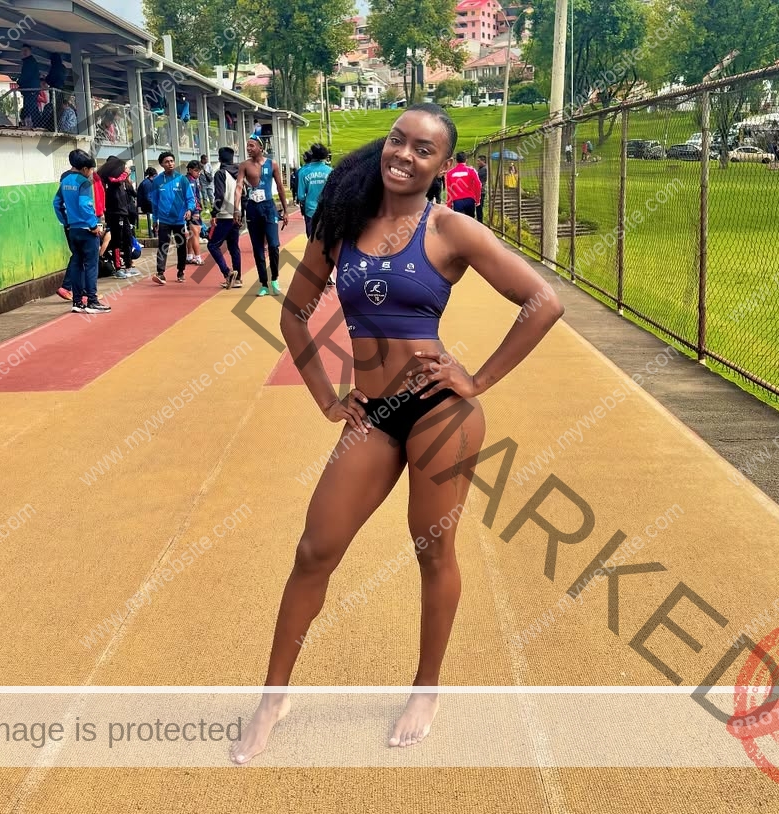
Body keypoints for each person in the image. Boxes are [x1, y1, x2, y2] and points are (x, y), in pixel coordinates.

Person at [230, 103, 565, 764]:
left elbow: (543, 302)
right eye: (397, 140)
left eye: (423, 149)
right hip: (373, 415)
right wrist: (328, 398)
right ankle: (273, 698)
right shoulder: (342, 225)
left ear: (443, 166)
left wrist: (477, 380)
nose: (404, 155)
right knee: (313, 551)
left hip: (441, 412)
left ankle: (425, 689)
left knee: (432, 552)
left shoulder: (450, 228)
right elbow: (294, 314)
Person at [53, 149, 110, 315]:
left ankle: (77, 302)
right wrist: (93, 225)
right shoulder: (84, 182)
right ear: (84, 168)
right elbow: (85, 205)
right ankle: (92, 301)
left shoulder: (65, 181)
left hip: (73, 230)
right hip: (87, 230)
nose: (91, 172)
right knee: (91, 265)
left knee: (77, 264)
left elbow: (56, 203)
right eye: (91, 169)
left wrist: (66, 222)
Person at [235, 134, 289, 297]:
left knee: (273, 245)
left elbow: (280, 187)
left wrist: (285, 210)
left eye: (252, 145)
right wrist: (236, 209)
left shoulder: (272, 164)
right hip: (253, 209)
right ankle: (264, 283)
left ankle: (275, 278)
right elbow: (239, 186)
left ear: (260, 147)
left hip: (269, 208)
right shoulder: (244, 165)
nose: (248, 148)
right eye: (247, 145)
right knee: (257, 248)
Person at [151, 151, 195, 285]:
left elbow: (190, 198)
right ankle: (160, 273)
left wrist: (189, 209)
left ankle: (181, 271)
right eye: (166, 162)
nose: (170, 164)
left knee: (181, 246)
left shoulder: (182, 179)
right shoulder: (157, 181)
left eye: (171, 161)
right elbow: (154, 202)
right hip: (164, 220)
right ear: (161, 164)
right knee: (163, 246)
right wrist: (154, 219)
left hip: (179, 220)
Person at [208, 146, 244, 289]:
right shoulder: (239, 173)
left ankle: (227, 273)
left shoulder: (220, 173)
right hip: (236, 214)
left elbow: (220, 195)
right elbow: (244, 194)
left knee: (212, 245)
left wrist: (214, 213)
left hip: (224, 215)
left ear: (219, 158)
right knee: (234, 247)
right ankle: (238, 278)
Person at [97, 156, 139, 278]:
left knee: (127, 239)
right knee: (117, 240)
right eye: (122, 167)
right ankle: (118, 268)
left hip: (124, 213)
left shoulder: (123, 181)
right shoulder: (110, 179)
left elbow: (134, 193)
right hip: (115, 213)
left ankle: (128, 266)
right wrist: (125, 174)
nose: (124, 169)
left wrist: (128, 179)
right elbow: (116, 180)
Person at [297, 143, 332, 241]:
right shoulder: (330, 171)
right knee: (326, 239)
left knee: (311, 239)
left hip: (310, 210)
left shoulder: (303, 172)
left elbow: (300, 196)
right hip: (326, 210)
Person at [444, 152, 481, 218]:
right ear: (466, 160)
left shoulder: (450, 173)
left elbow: (449, 190)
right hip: (470, 200)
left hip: (457, 201)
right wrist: (477, 200)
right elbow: (478, 184)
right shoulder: (471, 171)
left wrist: (449, 205)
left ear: (456, 160)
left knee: (459, 222)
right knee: (470, 220)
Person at [185, 160, 205, 265]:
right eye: (196, 171)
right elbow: (193, 198)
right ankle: (198, 258)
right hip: (192, 210)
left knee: (191, 234)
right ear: (190, 170)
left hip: (189, 210)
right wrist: (196, 211)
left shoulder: (191, 180)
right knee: (195, 234)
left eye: (199, 171)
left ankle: (189, 256)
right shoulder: (190, 181)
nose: (198, 173)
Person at [136, 166, 158, 237]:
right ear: (154, 175)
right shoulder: (147, 184)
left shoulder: (150, 182)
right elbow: (147, 198)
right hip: (146, 205)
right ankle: (155, 229)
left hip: (148, 204)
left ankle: (156, 229)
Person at [475, 155, 488, 223]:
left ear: (483, 161)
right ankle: (479, 221)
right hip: (478, 191)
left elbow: (476, 177)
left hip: (481, 191)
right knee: (478, 208)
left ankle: (480, 222)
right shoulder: (481, 168)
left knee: (479, 208)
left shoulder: (484, 169)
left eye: (479, 161)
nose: (477, 162)